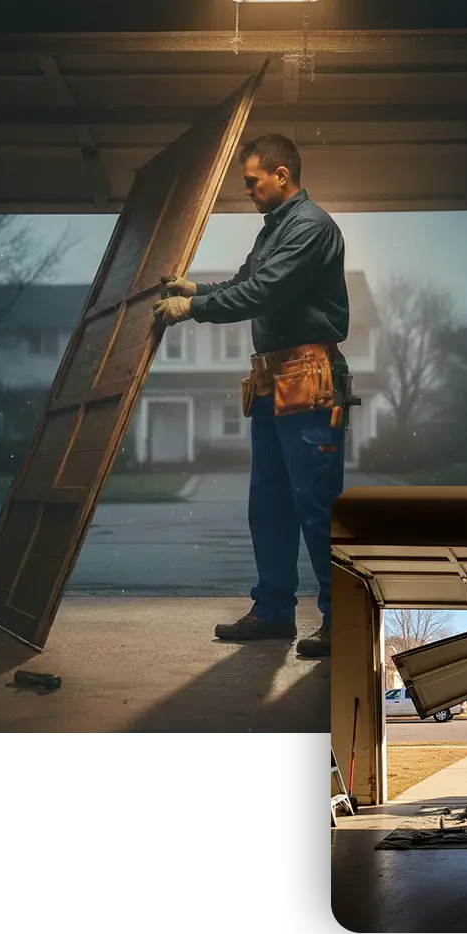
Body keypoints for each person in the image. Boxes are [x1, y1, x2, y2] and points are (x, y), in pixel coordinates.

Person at [152, 133, 349, 659]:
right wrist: (198, 290)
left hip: (310, 380)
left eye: (252, 181)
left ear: (282, 175)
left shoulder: (309, 227)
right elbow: (245, 282)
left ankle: (342, 620)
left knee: (316, 505)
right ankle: (274, 612)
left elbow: (265, 292)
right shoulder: (275, 230)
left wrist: (192, 310)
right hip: (274, 382)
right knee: (270, 503)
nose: (248, 190)